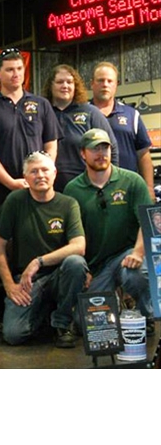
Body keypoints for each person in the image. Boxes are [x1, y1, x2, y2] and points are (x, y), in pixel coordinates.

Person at [0, 48, 61, 334]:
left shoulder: (41, 104)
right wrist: (12, 182)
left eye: (19, 69)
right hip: (4, 194)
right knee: (3, 252)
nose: (15, 74)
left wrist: (43, 176)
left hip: (38, 193)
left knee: (42, 247)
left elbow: (51, 143)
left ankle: (46, 313)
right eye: (9, 69)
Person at [0, 151, 87, 348]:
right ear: (25, 178)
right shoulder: (15, 201)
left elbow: (79, 246)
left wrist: (39, 261)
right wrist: (9, 285)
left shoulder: (68, 204)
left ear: (54, 173)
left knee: (76, 263)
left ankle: (61, 323)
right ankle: (44, 315)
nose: (40, 175)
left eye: (45, 170)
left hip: (60, 276)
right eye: (34, 171)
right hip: (27, 281)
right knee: (13, 335)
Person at [64, 128, 154, 331]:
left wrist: (139, 253)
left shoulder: (132, 181)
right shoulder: (72, 189)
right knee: (84, 323)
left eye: (105, 148)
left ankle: (144, 314)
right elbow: (72, 235)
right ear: (83, 154)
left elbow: (146, 222)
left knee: (135, 273)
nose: (101, 154)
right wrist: (85, 269)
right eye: (94, 149)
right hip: (97, 266)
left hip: (127, 254)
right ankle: (117, 308)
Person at [42, 64, 119, 192]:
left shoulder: (91, 113)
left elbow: (112, 149)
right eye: (60, 82)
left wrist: (111, 183)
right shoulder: (42, 112)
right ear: (51, 86)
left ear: (75, 86)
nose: (65, 86)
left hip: (86, 188)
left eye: (69, 82)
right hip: (49, 187)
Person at [90, 61, 155, 200]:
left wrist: (149, 188)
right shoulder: (82, 114)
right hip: (91, 190)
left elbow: (143, 154)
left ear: (116, 84)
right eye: (100, 80)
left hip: (128, 189)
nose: (105, 84)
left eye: (109, 81)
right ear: (92, 84)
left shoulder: (132, 115)